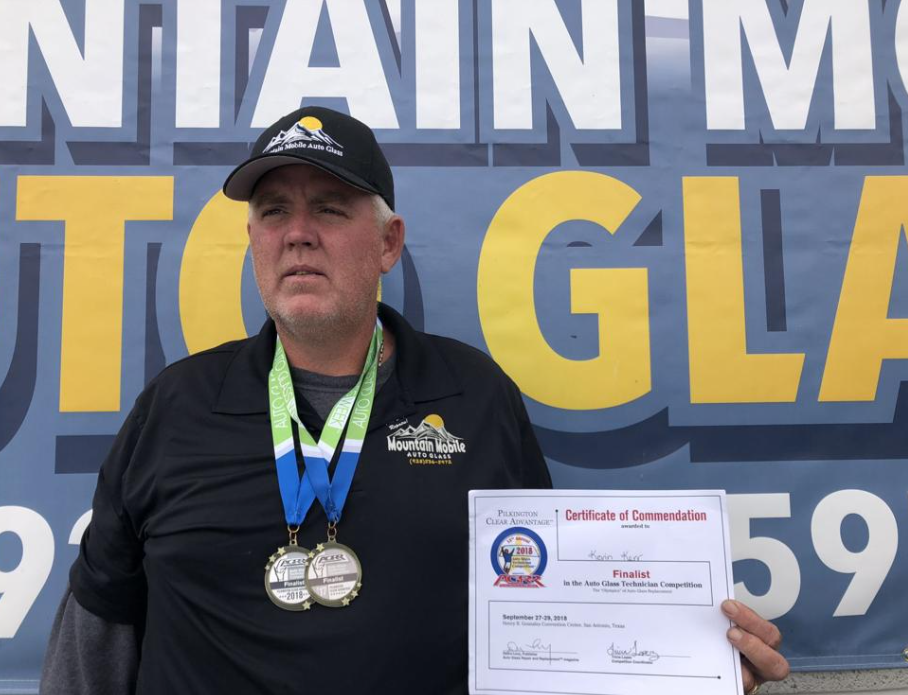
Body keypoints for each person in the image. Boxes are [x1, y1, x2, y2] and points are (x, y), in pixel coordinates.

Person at [41, 107, 788, 694]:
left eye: (330, 209)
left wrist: (687, 671)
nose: (297, 233)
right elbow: (98, 627)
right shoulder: (176, 406)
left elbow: (551, 626)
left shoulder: (475, 396)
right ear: (251, 241)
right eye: (273, 212)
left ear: (389, 243)